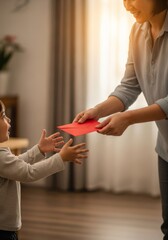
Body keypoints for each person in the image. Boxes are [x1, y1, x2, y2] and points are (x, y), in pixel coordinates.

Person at [74, 0, 168, 239]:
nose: (126, 4)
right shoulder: (138, 30)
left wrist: (128, 118)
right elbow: (130, 85)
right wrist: (98, 109)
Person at [0, 100, 88, 240]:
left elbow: (17, 166)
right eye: (3, 116)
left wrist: (38, 150)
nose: (8, 119)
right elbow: (28, 173)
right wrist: (60, 158)